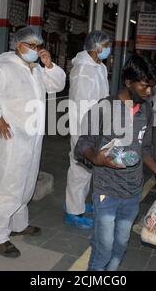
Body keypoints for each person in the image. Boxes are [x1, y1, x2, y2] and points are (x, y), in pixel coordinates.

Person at [0, 26, 66, 258]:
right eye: (30, 45)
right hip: (12, 138)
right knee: (8, 187)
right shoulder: (4, 69)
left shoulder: (36, 69)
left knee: (27, 184)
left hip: (33, 138)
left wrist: (49, 65)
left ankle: (18, 224)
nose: (34, 50)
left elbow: (58, 85)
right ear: (17, 45)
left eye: (38, 46)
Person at [75, 55, 156, 271]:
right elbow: (82, 144)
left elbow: (144, 148)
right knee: (104, 247)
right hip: (106, 191)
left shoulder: (146, 110)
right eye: (145, 86)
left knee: (120, 245)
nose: (149, 92)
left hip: (133, 191)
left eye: (152, 88)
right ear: (128, 82)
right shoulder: (105, 107)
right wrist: (96, 158)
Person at [65, 30, 111, 229]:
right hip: (84, 125)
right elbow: (83, 103)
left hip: (96, 124)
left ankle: (79, 202)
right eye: (106, 46)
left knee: (89, 168)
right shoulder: (83, 69)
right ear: (97, 47)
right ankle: (73, 211)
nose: (109, 49)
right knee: (79, 167)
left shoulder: (99, 66)